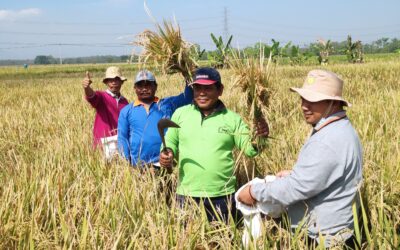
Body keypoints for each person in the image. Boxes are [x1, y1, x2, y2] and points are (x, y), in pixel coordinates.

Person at [237, 69, 363, 248]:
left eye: (313, 100)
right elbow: (326, 173)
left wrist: (254, 192)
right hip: (335, 233)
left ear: (333, 103)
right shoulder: (340, 129)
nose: (304, 106)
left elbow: (296, 188)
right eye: (303, 99)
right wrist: (295, 174)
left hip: (324, 239)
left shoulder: (327, 140)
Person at [159, 67, 269, 222]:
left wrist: (260, 137)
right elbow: (170, 141)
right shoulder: (180, 114)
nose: (202, 93)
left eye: (208, 88)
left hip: (222, 197)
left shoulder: (232, 119)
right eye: (197, 88)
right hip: (187, 195)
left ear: (220, 90)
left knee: (221, 241)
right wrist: (167, 153)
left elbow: (250, 149)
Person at [117, 70, 193, 167]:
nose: (144, 89)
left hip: (165, 162)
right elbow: (122, 138)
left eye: (148, 85)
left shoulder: (166, 104)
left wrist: (187, 73)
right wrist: (126, 162)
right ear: (135, 88)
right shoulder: (127, 111)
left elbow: (188, 97)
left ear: (155, 86)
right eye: (140, 86)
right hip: (139, 165)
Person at [83, 66, 129, 148]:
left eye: (116, 80)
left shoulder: (125, 102)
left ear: (122, 82)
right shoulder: (101, 97)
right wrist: (87, 88)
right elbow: (91, 96)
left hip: (119, 143)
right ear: (106, 82)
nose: (114, 83)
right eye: (110, 80)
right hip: (103, 144)